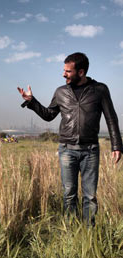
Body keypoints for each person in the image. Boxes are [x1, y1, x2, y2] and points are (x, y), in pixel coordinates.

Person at [18, 52, 122, 226]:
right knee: (69, 193)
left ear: (81, 72)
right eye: (64, 70)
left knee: (90, 196)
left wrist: (117, 145)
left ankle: (88, 232)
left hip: (91, 150)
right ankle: (71, 231)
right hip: (66, 150)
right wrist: (31, 101)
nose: (63, 74)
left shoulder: (100, 90)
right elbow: (49, 115)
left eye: (68, 71)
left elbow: (111, 117)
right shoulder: (60, 92)